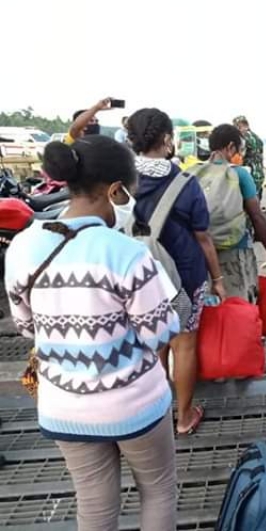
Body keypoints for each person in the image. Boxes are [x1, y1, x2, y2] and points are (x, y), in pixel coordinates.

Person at [4, 136, 179, 531]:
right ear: (115, 190)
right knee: (158, 491)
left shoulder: (22, 247)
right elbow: (160, 333)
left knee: (95, 508)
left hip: (64, 404)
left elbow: (27, 326)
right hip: (135, 403)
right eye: (128, 192)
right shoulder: (126, 252)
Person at [128, 108, 226, 436]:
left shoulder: (121, 182)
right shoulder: (185, 183)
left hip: (138, 278)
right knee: (184, 346)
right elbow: (203, 237)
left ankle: (155, 416)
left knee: (155, 344)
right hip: (182, 277)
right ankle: (184, 417)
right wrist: (218, 280)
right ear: (168, 140)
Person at [198, 124, 266, 300]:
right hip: (236, 249)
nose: (240, 154)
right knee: (240, 304)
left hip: (203, 251)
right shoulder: (240, 174)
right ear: (230, 147)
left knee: (212, 304)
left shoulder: (195, 173)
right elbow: (257, 217)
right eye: (238, 149)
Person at [234, 115, 265, 198]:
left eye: (236, 126)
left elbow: (240, 156)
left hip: (249, 174)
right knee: (256, 199)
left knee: (247, 202)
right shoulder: (257, 138)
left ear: (240, 125)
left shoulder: (243, 138)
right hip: (260, 174)